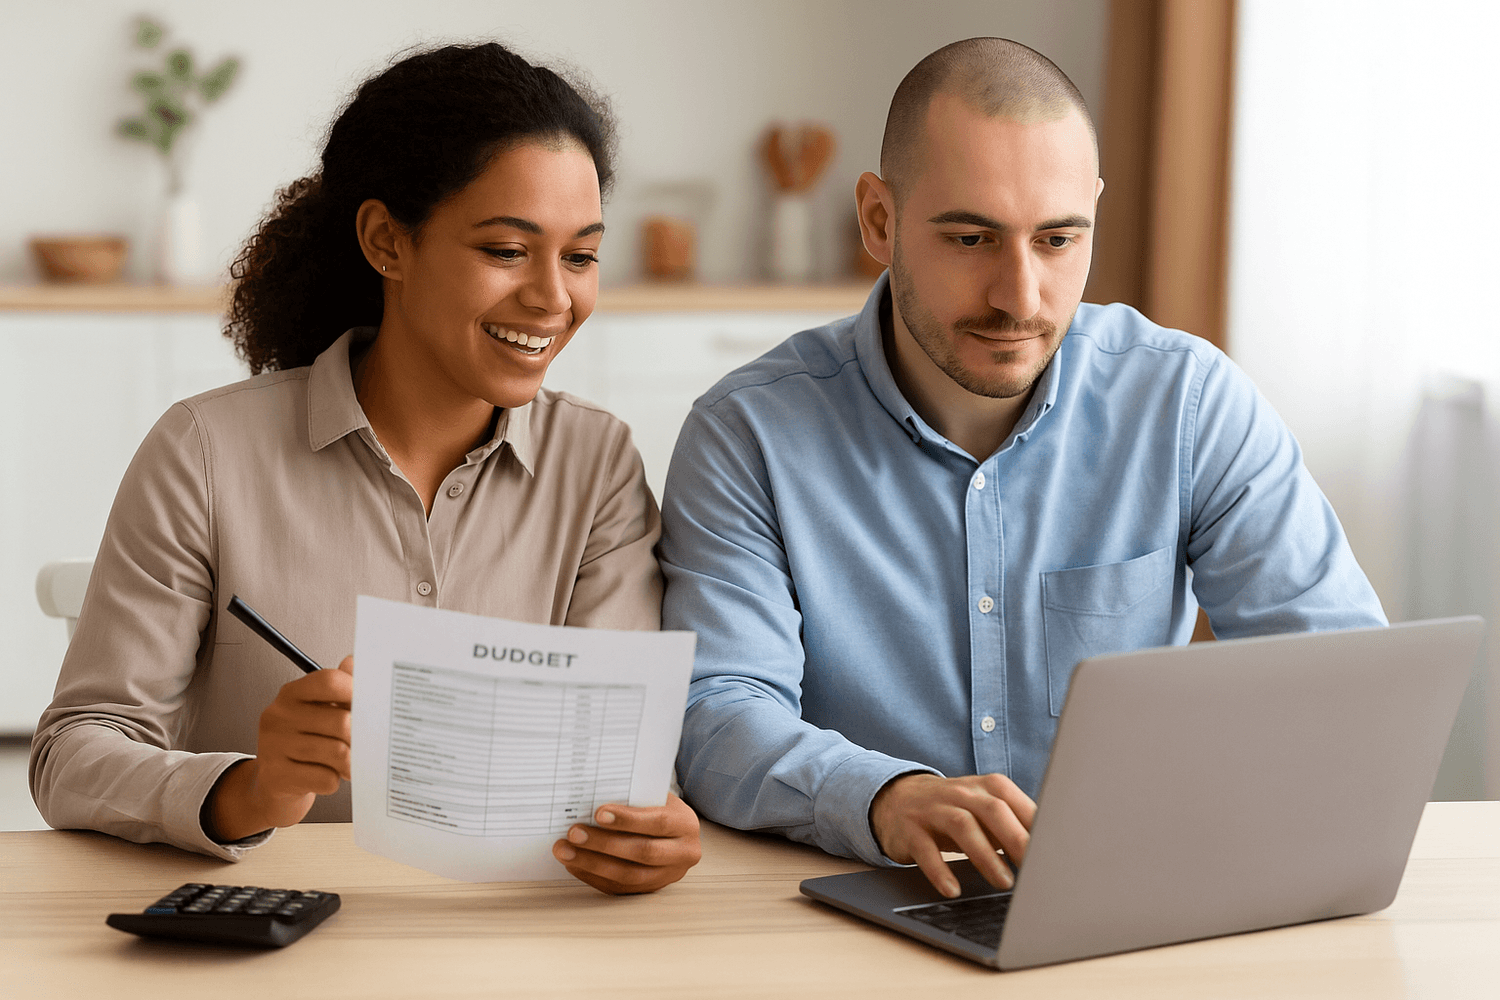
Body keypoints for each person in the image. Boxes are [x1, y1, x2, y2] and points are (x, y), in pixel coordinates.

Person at [658, 37, 1385, 899]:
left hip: (1126, 898)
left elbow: (1343, 683)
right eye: (972, 238)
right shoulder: (748, 433)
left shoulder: (1190, 404)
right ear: (879, 220)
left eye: (1057, 239)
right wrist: (884, 796)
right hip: (858, 903)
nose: (1021, 297)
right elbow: (716, 714)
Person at [30, 42, 700, 895]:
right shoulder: (205, 451)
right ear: (387, 241)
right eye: (506, 249)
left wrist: (643, 831)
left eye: (579, 257)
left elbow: (619, 775)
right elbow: (73, 753)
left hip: (512, 942)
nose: (552, 299)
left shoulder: (598, 464)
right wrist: (251, 788)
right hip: (268, 938)